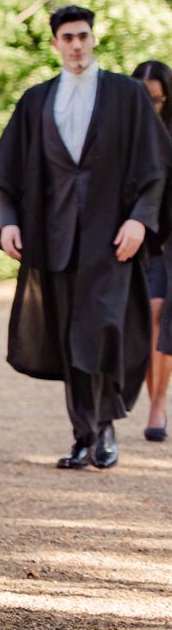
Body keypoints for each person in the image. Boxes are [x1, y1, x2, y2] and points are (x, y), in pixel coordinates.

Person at [0, 5, 171, 471]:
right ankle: (83, 434)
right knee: (69, 338)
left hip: (112, 238)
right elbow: (5, 170)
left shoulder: (127, 95)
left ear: (93, 38)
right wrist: (8, 221)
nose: (77, 45)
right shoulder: (36, 101)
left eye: (83, 35)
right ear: (55, 44)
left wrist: (140, 220)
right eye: (68, 37)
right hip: (54, 240)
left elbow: (157, 165)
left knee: (102, 329)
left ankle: (103, 425)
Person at [131, 59, 172, 442]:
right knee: (142, 319)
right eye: (145, 99)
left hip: (166, 241)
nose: (152, 107)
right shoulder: (122, 135)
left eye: (158, 100)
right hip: (131, 239)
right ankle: (151, 397)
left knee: (159, 314)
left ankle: (158, 403)